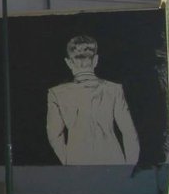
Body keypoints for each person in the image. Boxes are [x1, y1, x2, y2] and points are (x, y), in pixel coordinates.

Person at [45, 34, 139, 166]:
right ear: (96, 60)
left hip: (77, 159)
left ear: (68, 62)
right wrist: (129, 167)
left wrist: (67, 161)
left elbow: (54, 135)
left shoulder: (56, 93)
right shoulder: (114, 89)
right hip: (112, 158)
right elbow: (129, 132)